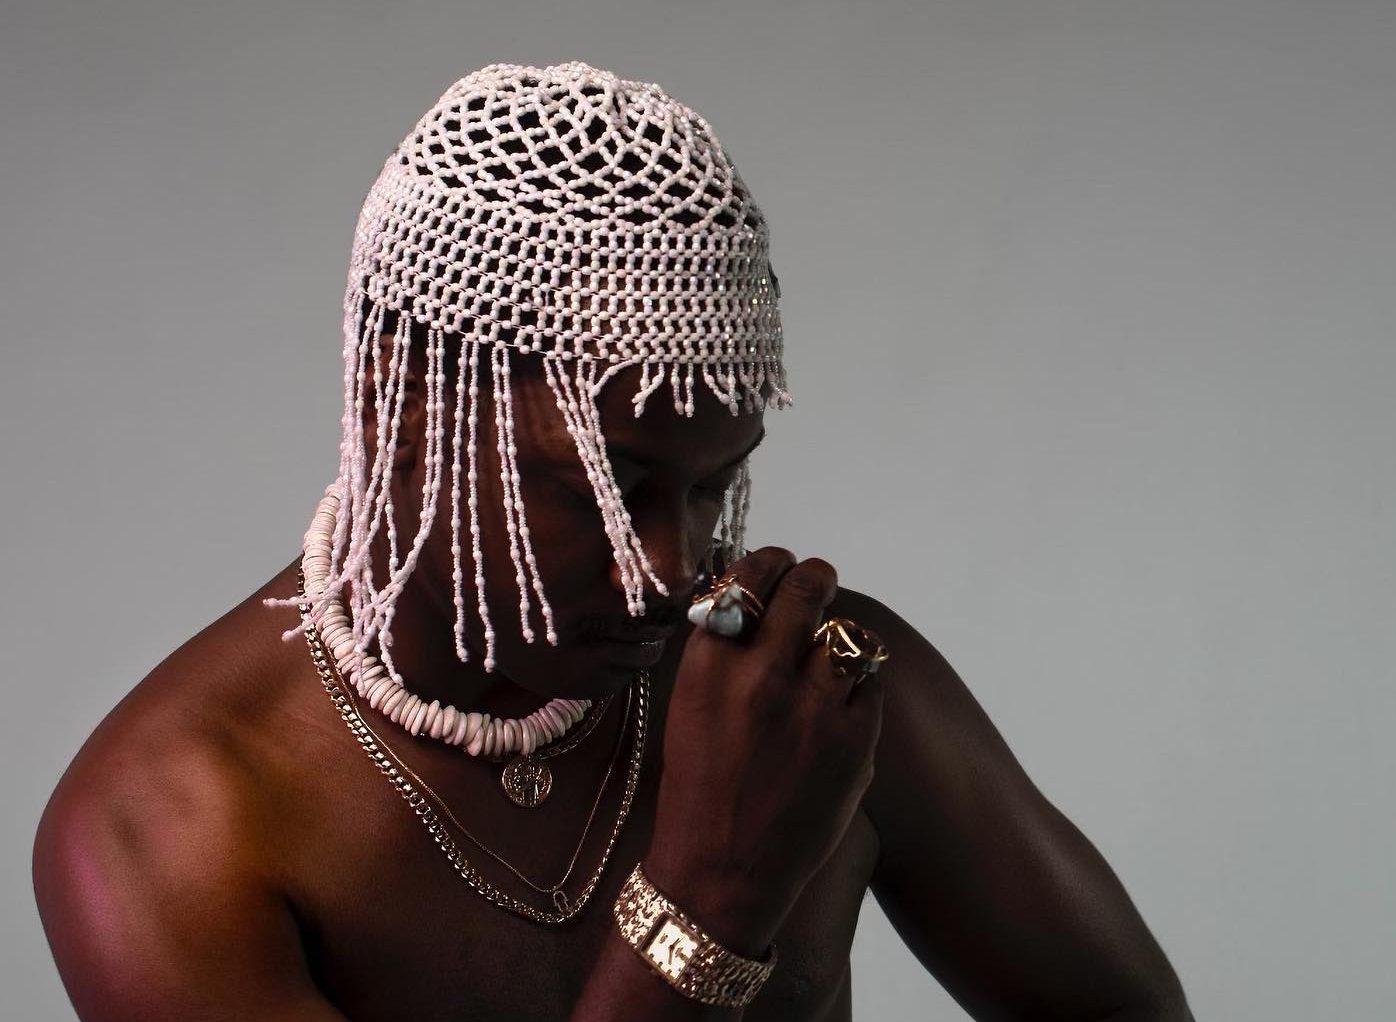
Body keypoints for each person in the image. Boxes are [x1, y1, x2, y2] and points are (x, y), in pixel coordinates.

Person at [32, 62, 1193, 1021]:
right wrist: (704, 901)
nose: (674, 566)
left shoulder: (798, 699)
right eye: (605, 485)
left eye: (713, 486)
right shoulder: (172, 826)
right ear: (398, 403)